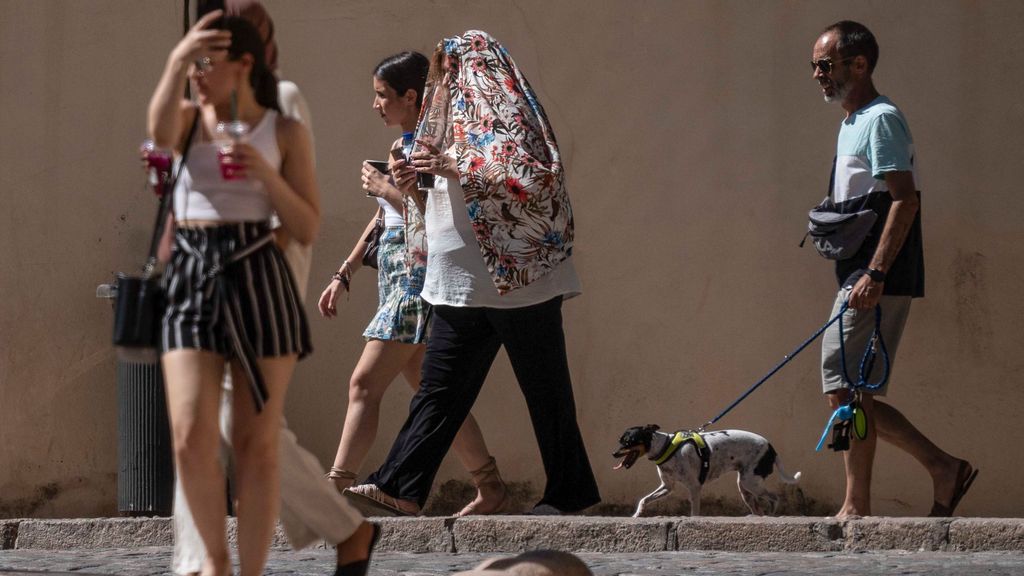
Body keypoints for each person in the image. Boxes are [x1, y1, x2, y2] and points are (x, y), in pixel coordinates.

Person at [147, 11, 375, 576]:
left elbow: (305, 224)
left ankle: (236, 566)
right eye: (192, 61)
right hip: (193, 276)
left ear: (245, 60)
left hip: (258, 273)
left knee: (257, 442)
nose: (198, 73)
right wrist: (178, 59)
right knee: (188, 433)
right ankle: (211, 562)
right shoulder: (185, 119)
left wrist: (263, 175)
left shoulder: (283, 118)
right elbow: (156, 135)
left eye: (206, 60)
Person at [345, 30, 600, 517]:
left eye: (451, 68)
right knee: (440, 389)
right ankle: (400, 486)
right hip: (461, 282)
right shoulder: (446, 122)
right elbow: (435, 202)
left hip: (520, 284)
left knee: (547, 393)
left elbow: (529, 174)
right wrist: (411, 186)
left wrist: (453, 166)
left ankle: (569, 494)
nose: (444, 78)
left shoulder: (508, 117)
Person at [317, 51, 509, 516]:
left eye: (382, 95)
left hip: (418, 281)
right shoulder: (402, 146)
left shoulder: (432, 147)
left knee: (364, 383)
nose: (375, 105)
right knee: (434, 395)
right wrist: (344, 271)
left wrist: (389, 191)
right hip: (396, 276)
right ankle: (490, 486)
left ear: (410, 96)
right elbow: (383, 218)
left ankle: (333, 489)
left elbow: (434, 219)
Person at [810, 20, 977, 519]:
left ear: (858, 64)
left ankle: (857, 504)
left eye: (825, 65)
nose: (817, 75)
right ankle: (941, 467)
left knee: (845, 384)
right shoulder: (852, 121)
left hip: (873, 280)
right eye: (814, 66)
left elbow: (905, 201)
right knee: (849, 387)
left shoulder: (880, 119)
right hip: (858, 276)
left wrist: (876, 274)